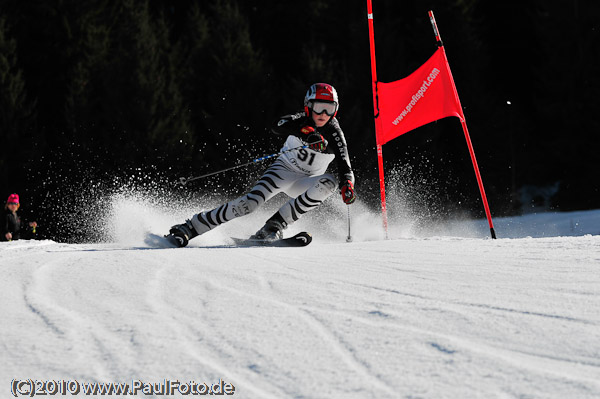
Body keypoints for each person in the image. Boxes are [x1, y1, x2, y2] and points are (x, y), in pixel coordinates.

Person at [168, 83, 356, 247]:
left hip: (305, 182)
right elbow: (277, 125)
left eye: (329, 108)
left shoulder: (335, 134)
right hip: (282, 171)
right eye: (319, 107)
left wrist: (347, 185)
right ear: (308, 106)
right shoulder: (301, 120)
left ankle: (275, 225)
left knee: (329, 182)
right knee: (249, 204)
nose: (323, 114)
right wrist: (306, 133)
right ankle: (191, 227)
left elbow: (345, 165)